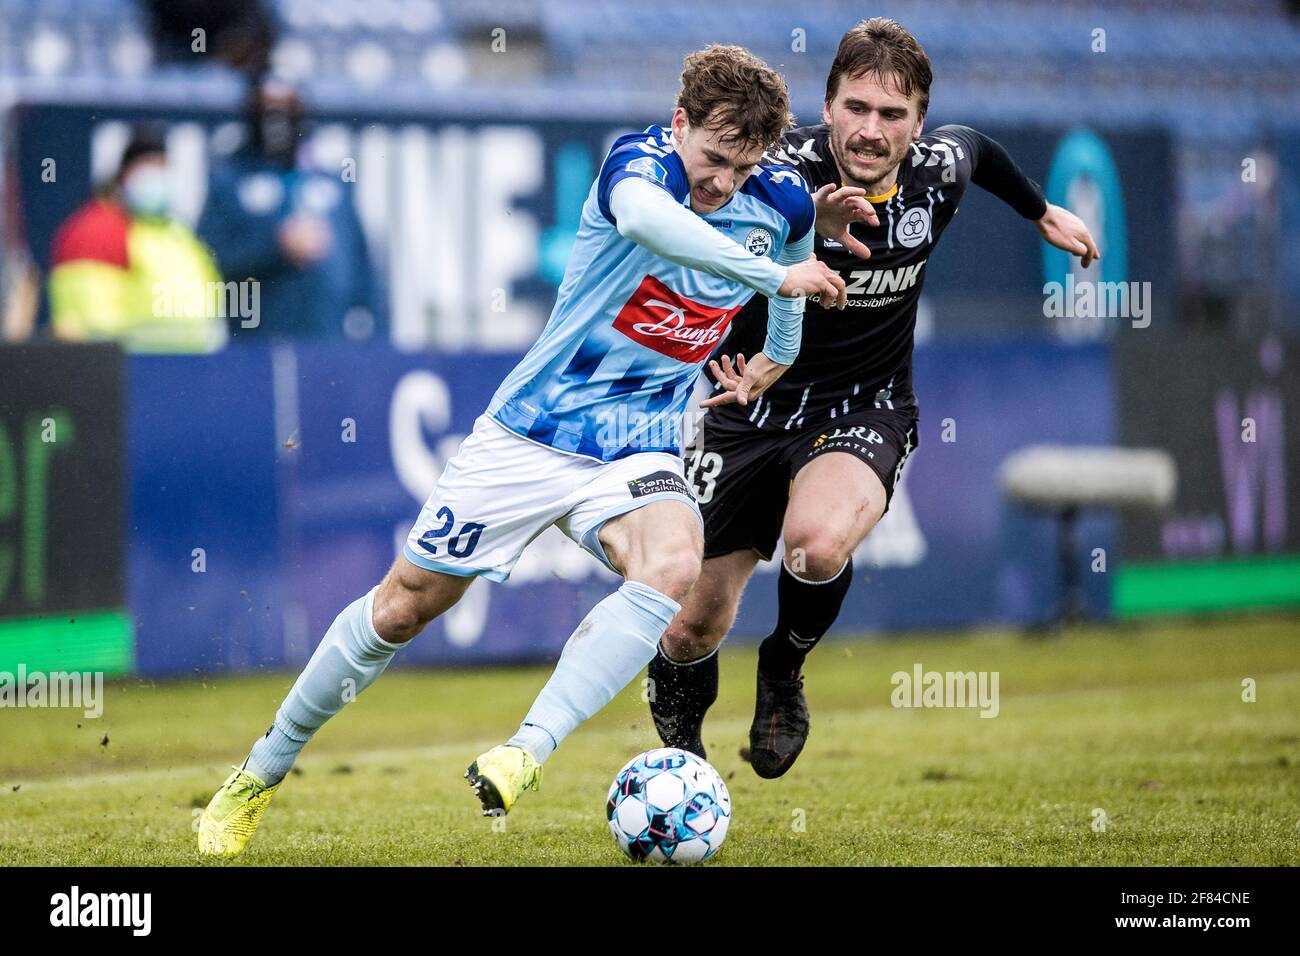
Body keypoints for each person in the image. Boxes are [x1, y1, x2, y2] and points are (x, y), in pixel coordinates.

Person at [197, 44, 847, 856]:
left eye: (742, 169)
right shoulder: (636, 168)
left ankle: (525, 751)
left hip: (634, 445)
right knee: (404, 606)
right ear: (679, 125)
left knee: (676, 564)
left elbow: (795, 268)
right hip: (527, 438)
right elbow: (665, 231)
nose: (723, 184)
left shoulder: (779, 199)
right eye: (713, 160)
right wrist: (773, 277)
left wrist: (774, 355)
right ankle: (256, 775)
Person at [648, 18, 1101, 778]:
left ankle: (784, 670)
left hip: (864, 405)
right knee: (692, 623)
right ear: (827, 107)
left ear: (918, 125)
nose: (870, 129)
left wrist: (1041, 211)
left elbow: (980, 151)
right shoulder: (775, 168)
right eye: (856, 107)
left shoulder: (937, 171)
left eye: (893, 115)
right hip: (743, 403)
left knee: (817, 545)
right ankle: (684, 767)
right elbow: (689, 206)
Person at [197, 82, 382, 341]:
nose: (277, 122)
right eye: (268, 111)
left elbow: (363, 268)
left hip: (328, 343)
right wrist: (274, 248)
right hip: (256, 343)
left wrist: (376, 338)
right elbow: (206, 260)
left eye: (287, 111)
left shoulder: (333, 184)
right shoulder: (229, 181)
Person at [48, 127, 225, 353]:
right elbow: (88, 328)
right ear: (123, 175)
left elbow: (207, 319)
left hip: (190, 371)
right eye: (146, 167)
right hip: (126, 375)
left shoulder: (180, 236)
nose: (156, 177)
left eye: (162, 167)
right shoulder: (97, 230)